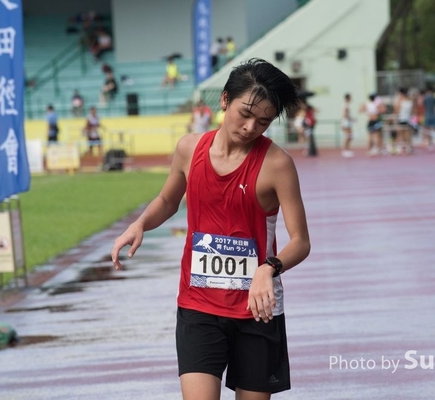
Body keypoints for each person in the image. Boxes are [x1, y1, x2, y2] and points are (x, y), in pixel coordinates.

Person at [111, 58, 310, 399]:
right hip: (198, 306)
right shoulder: (189, 149)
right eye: (244, 114)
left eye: (262, 122)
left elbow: (300, 242)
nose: (250, 127)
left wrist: (269, 268)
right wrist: (141, 223)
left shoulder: (277, 165)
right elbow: (168, 200)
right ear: (224, 100)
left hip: (256, 309)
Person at [341, 93, 354, 157]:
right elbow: (345, 115)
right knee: (348, 136)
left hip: (347, 122)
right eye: (350, 97)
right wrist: (351, 119)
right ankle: (345, 150)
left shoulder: (347, 105)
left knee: (350, 137)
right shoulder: (346, 105)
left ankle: (347, 149)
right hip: (346, 123)